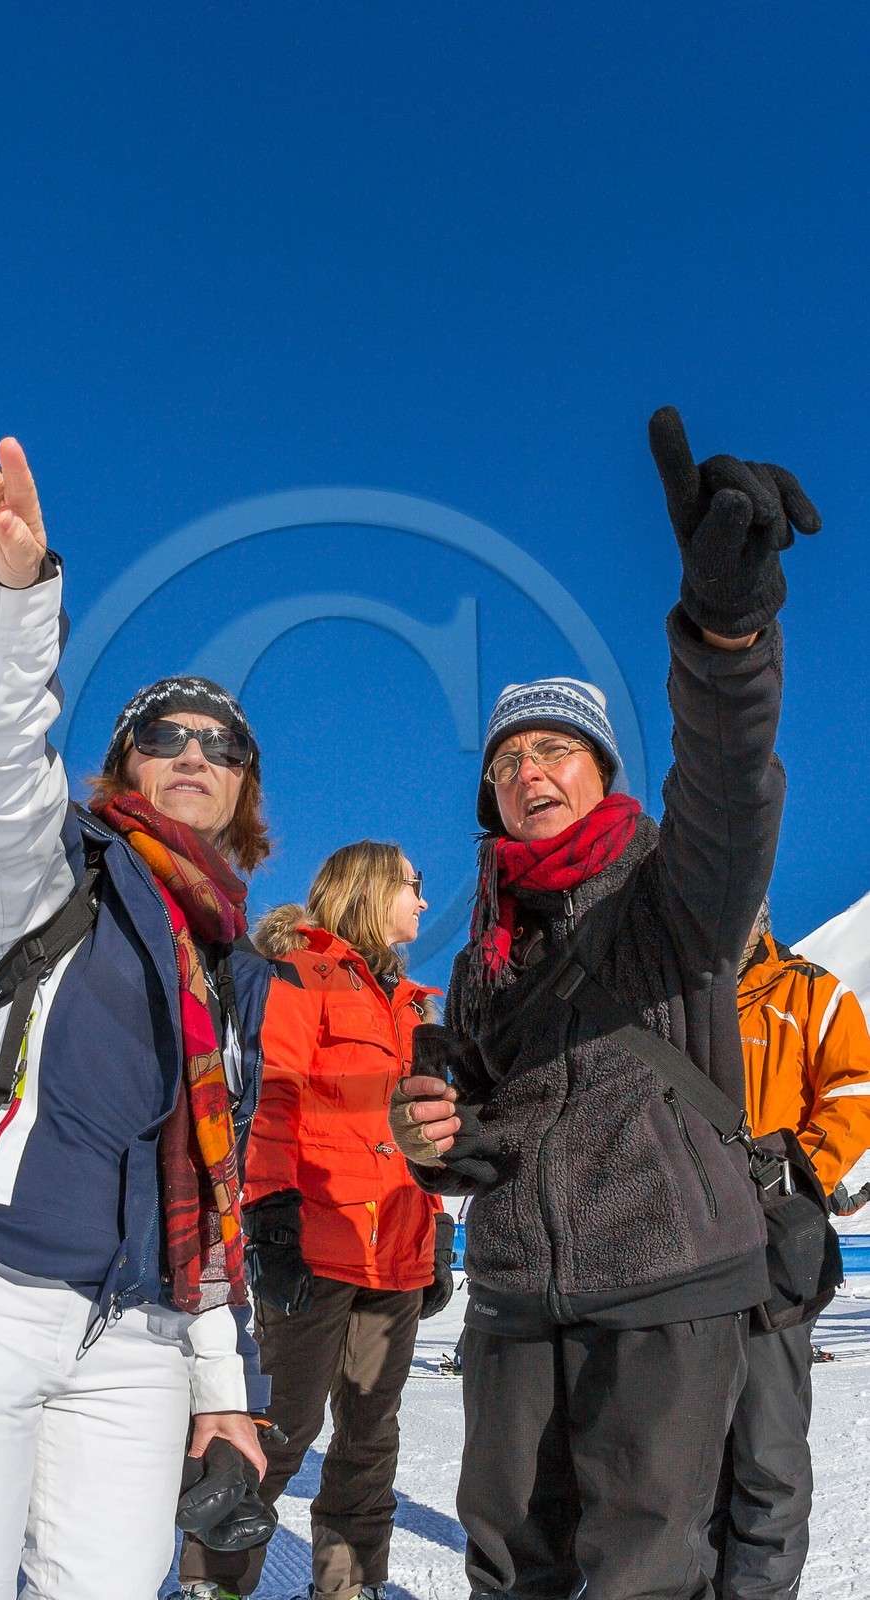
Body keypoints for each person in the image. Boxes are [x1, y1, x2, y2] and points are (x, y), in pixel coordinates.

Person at [387, 407, 823, 1600]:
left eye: (554, 752)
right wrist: (432, 1135)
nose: (527, 770)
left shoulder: (671, 898)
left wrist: (726, 639)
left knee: (642, 1569)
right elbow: (471, 1124)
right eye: (506, 759)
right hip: (518, 1295)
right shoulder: (482, 954)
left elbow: (729, 785)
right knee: (507, 1563)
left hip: (670, 1284)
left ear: (599, 776)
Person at [0, 439, 273, 1600]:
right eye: (164, 734)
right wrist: (6, 601)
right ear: (122, 766)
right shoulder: (49, 869)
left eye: (220, 744)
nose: (192, 751)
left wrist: (224, 1395)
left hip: (133, 1336)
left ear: (242, 788)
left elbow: (218, 1185)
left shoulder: (234, 971)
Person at [178, 841, 454, 1600]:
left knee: (370, 1440)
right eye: (412, 885)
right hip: (317, 1238)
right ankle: (214, 1582)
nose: (423, 902)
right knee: (280, 1430)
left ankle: (348, 1585)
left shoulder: (410, 1005)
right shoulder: (302, 975)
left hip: (392, 1253)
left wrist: (432, 1233)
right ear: (369, 890)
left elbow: (415, 1136)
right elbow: (276, 1095)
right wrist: (270, 1216)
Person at [707, 901, 870, 1599]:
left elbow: (856, 1089)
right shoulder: (669, 999)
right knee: (681, 1458)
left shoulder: (809, 992)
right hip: (675, 1251)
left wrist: (797, 1173)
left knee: (765, 1451)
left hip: (774, 1249)